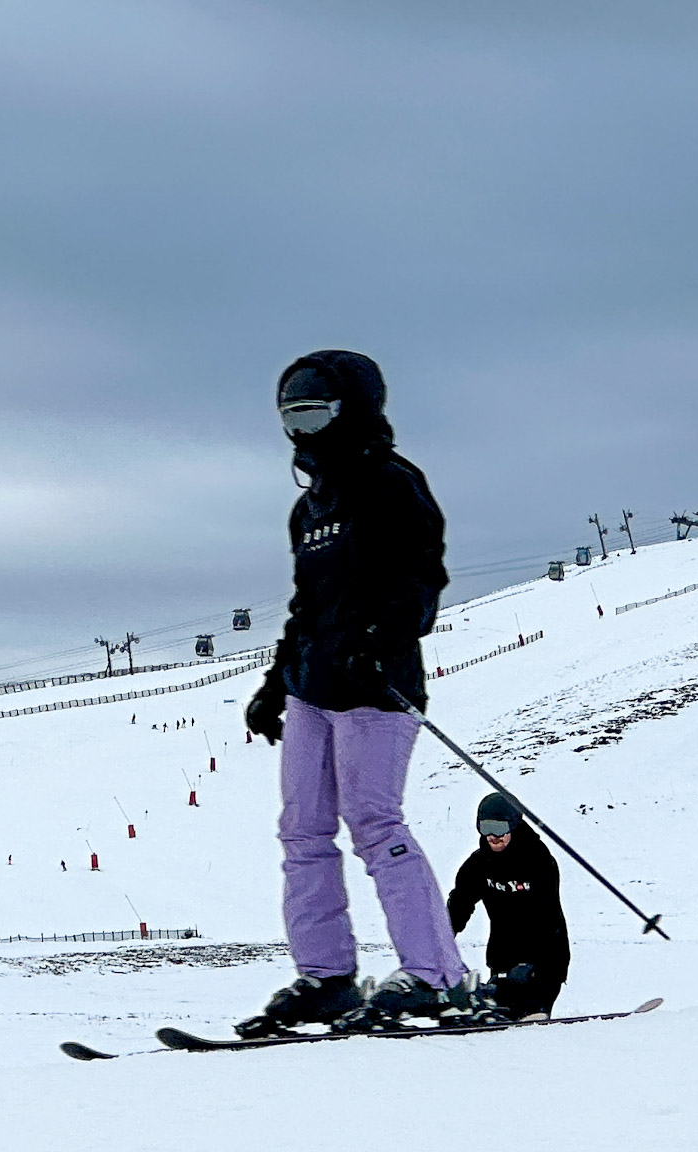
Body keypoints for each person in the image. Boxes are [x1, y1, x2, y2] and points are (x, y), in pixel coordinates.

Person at [242, 350, 474, 1033]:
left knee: (374, 822)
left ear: (356, 410)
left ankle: (436, 976)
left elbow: (422, 582)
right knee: (302, 830)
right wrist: (273, 686)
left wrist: (380, 645)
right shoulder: (308, 509)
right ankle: (327, 977)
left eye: (317, 410)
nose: (302, 428)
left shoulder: (392, 484)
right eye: (292, 414)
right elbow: (305, 606)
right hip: (312, 689)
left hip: (375, 687)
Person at [448, 792, 570, 1020]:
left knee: (529, 1017)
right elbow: (458, 907)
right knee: (499, 1018)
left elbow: (548, 916)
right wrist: (437, 946)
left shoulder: (539, 860)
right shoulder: (478, 865)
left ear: (513, 826)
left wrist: (534, 966)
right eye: (486, 828)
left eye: (499, 828)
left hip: (546, 961)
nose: (493, 836)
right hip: (503, 961)